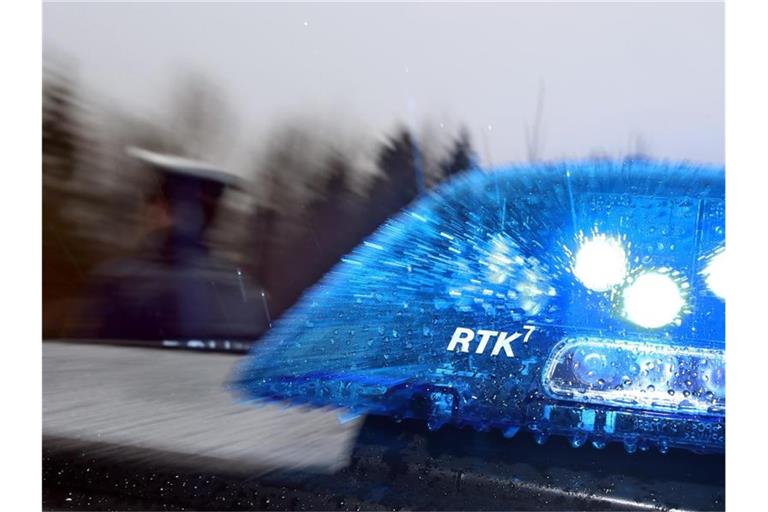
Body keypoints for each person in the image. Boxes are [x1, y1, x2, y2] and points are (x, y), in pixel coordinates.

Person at [82, 147, 269, 343]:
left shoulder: (124, 284)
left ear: (166, 208)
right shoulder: (246, 291)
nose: (146, 210)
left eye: (152, 200)